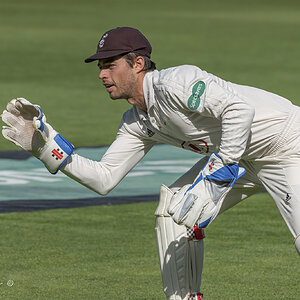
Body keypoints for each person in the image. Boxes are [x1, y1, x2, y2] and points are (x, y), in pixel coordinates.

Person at [1, 26, 300, 300]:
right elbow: (104, 178)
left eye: (110, 65)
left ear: (138, 64)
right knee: (173, 213)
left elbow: (239, 109)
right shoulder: (136, 121)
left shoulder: (177, 83)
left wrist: (217, 173)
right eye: (100, 67)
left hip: (287, 143)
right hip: (240, 158)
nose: (101, 75)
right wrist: (45, 148)